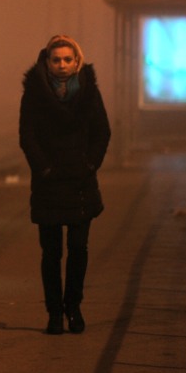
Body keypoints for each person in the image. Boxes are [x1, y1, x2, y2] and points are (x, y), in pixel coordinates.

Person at [19, 34, 111, 335]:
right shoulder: (34, 93)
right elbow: (27, 136)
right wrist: (43, 168)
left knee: (78, 248)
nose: (61, 64)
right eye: (56, 59)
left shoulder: (89, 92)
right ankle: (55, 313)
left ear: (77, 61)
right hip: (49, 183)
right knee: (51, 252)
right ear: (47, 62)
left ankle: (74, 307)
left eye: (67, 59)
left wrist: (89, 164)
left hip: (80, 183)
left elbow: (102, 132)